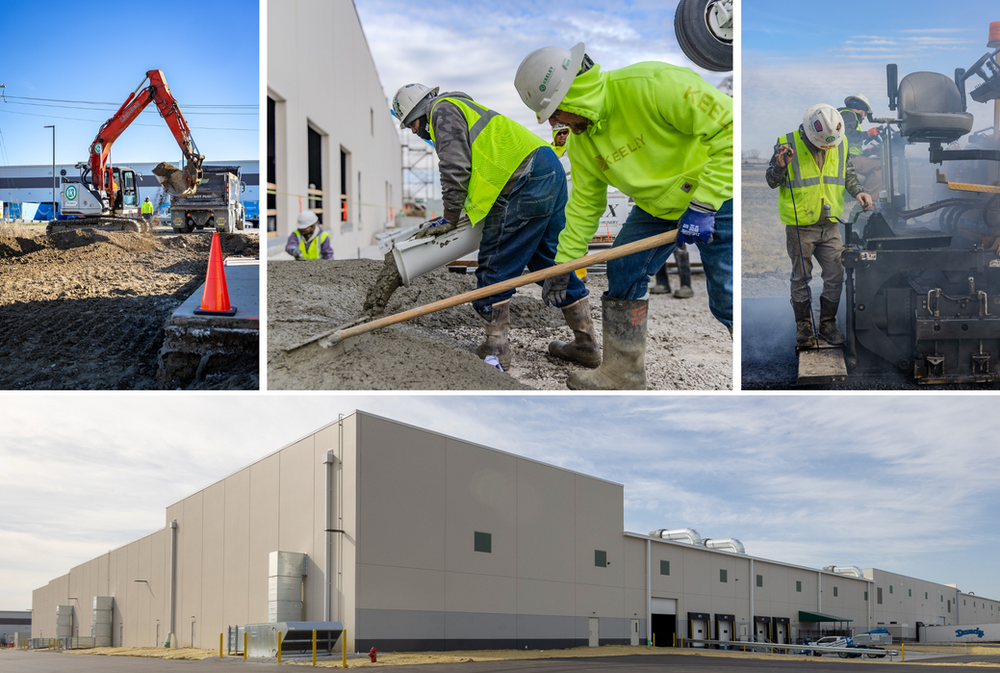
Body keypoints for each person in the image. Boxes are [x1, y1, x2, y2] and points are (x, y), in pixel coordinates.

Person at [515, 42, 733, 390]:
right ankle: (623, 374)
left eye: (555, 111)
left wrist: (705, 204)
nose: (554, 122)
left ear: (573, 94)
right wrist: (563, 264)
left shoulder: (654, 84)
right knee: (625, 270)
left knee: (727, 294)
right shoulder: (582, 144)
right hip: (657, 208)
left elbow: (730, 130)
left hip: (717, 191)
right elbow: (584, 208)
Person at [391, 82, 599, 371]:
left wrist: (450, 217)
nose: (414, 131)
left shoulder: (442, 111)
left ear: (419, 109)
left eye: (411, 124)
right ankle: (586, 343)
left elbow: (454, 167)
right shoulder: (465, 110)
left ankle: (496, 348)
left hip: (525, 180)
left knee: (494, 263)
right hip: (546, 168)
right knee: (549, 263)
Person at [766, 103, 872, 350]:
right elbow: (772, 181)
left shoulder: (839, 141)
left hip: (831, 223)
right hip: (800, 224)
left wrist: (859, 192)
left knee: (836, 276)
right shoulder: (786, 143)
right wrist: (780, 168)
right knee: (801, 277)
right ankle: (804, 328)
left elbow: (848, 174)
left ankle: (827, 324)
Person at [839, 94, 882, 198]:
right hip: (847, 159)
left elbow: (852, 147)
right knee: (882, 165)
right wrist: (868, 134)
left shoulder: (844, 115)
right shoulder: (849, 114)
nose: (864, 118)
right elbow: (846, 134)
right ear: (862, 110)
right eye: (865, 115)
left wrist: (869, 152)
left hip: (848, 156)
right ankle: (867, 203)